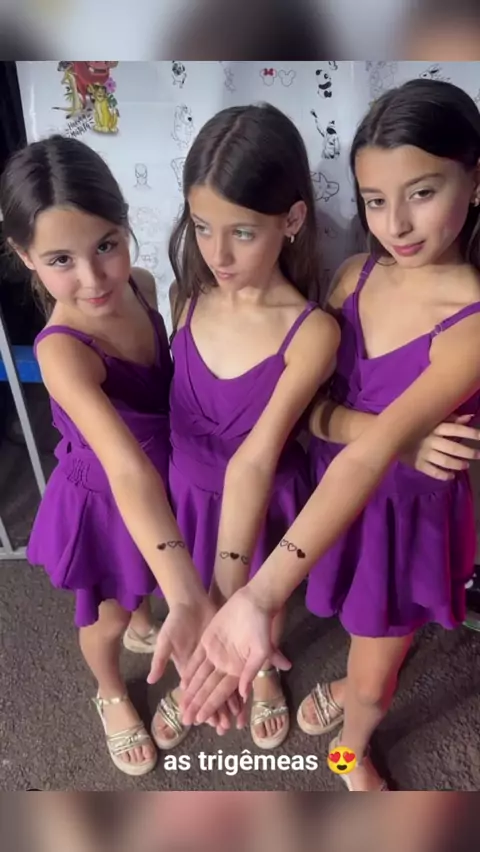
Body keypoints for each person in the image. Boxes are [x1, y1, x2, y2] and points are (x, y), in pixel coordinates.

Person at [179, 79, 480, 790]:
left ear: (475, 180)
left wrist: (259, 595)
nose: (396, 223)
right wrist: (391, 434)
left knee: (373, 686)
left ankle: (349, 757)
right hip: (326, 503)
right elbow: (311, 413)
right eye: (374, 200)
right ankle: (347, 686)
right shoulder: (354, 276)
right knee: (346, 622)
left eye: (422, 192)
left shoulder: (471, 319)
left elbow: (371, 454)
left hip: (402, 524)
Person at [0, 135, 236, 777]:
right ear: (24, 256)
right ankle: (108, 690)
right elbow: (126, 467)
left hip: (166, 473)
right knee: (105, 617)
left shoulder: (142, 283)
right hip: (106, 497)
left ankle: (144, 618)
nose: (93, 277)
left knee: (146, 592)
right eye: (60, 260)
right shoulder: (61, 350)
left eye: (106, 244)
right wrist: (188, 593)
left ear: (125, 223)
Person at [148, 103, 339, 751]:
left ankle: (259, 673)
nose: (218, 253)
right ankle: (201, 664)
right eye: (202, 227)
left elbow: (255, 459)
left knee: (262, 598)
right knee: (187, 591)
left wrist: (230, 592)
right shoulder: (186, 296)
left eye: (243, 233)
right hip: (187, 490)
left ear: (292, 220)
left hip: (262, 496)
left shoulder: (311, 331)